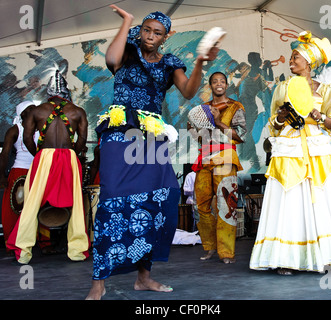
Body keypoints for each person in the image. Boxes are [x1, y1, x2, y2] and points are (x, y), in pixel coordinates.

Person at [86, 5, 218, 300]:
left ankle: (143, 278)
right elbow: (110, 59)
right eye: (146, 29)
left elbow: (187, 91)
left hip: (152, 137)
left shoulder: (171, 62)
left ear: (165, 36)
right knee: (112, 201)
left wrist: (199, 62)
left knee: (159, 198)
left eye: (156, 33)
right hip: (120, 132)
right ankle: (98, 283)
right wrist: (127, 22)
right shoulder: (128, 52)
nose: (149, 36)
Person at [249, 31, 331, 274]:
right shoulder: (282, 88)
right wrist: (281, 117)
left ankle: (324, 254)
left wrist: (320, 117)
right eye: (291, 56)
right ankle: (287, 259)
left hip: (317, 149)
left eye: (296, 57)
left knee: (319, 198)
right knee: (290, 199)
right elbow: (273, 125)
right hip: (289, 148)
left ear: (308, 62)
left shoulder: (325, 90)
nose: (291, 60)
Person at [6, 70, 90, 264]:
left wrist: (39, 155)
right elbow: (83, 139)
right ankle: (77, 250)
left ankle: (23, 251)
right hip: (69, 157)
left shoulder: (38, 110)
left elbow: (27, 138)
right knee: (77, 203)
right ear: (66, 92)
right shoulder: (77, 111)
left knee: (32, 202)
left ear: (49, 92)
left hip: (44, 156)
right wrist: (72, 154)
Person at [190, 71, 247, 264]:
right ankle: (210, 247)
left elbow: (241, 136)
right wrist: (193, 129)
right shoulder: (202, 108)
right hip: (205, 158)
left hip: (225, 158)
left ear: (226, 85)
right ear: (210, 86)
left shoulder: (235, 107)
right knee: (202, 205)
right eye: (215, 81)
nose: (219, 84)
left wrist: (218, 122)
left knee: (226, 205)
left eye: (222, 81)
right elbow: (197, 137)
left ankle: (226, 252)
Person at [0, 101, 39, 252]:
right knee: (16, 208)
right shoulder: (15, 129)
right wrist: (2, 176)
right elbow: (4, 154)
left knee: (39, 207)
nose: (35, 111)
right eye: (31, 109)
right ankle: (13, 242)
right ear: (22, 114)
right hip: (20, 172)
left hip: (38, 171)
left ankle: (43, 242)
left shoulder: (42, 127)